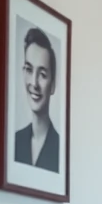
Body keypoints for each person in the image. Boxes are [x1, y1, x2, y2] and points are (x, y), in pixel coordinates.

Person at [13, 27, 60, 171]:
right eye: (29, 70)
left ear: (52, 85)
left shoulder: (60, 148)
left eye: (42, 74)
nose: (34, 83)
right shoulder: (14, 141)